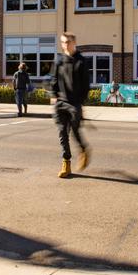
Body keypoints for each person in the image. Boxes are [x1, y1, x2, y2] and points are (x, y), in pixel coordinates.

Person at [51, 31, 91, 178]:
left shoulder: (81, 61)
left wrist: (80, 102)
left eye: (68, 42)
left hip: (74, 103)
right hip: (61, 102)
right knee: (62, 133)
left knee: (75, 131)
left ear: (74, 43)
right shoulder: (59, 60)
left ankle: (83, 150)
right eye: (63, 42)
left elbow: (86, 85)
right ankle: (66, 163)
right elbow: (53, 79)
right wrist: (53, 95)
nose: (65, 45)